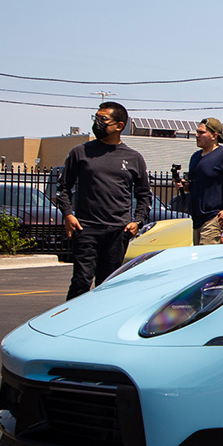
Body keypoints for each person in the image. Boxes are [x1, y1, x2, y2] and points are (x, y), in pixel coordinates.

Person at [53, 103, 152, 299]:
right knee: (81, 281)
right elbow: (63, 188)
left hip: (118, 231)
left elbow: (144, 195)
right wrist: (68, 215)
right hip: (86, 228)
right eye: (96, 119)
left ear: (119, 125)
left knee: (107, 285)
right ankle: (69, 323)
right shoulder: (80, 152)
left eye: (103, 120)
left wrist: (137, 221)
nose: (97, 124)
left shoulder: (134, 158)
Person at [180, 117, 223, 245]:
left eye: (201, 132)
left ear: (214, 135)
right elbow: (199, 186)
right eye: (197, 132)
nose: (196, 135)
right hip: (197, 219)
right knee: (200, 259)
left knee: (208, 259)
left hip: (214, 218)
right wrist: (186, 186)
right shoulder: (195, 157)